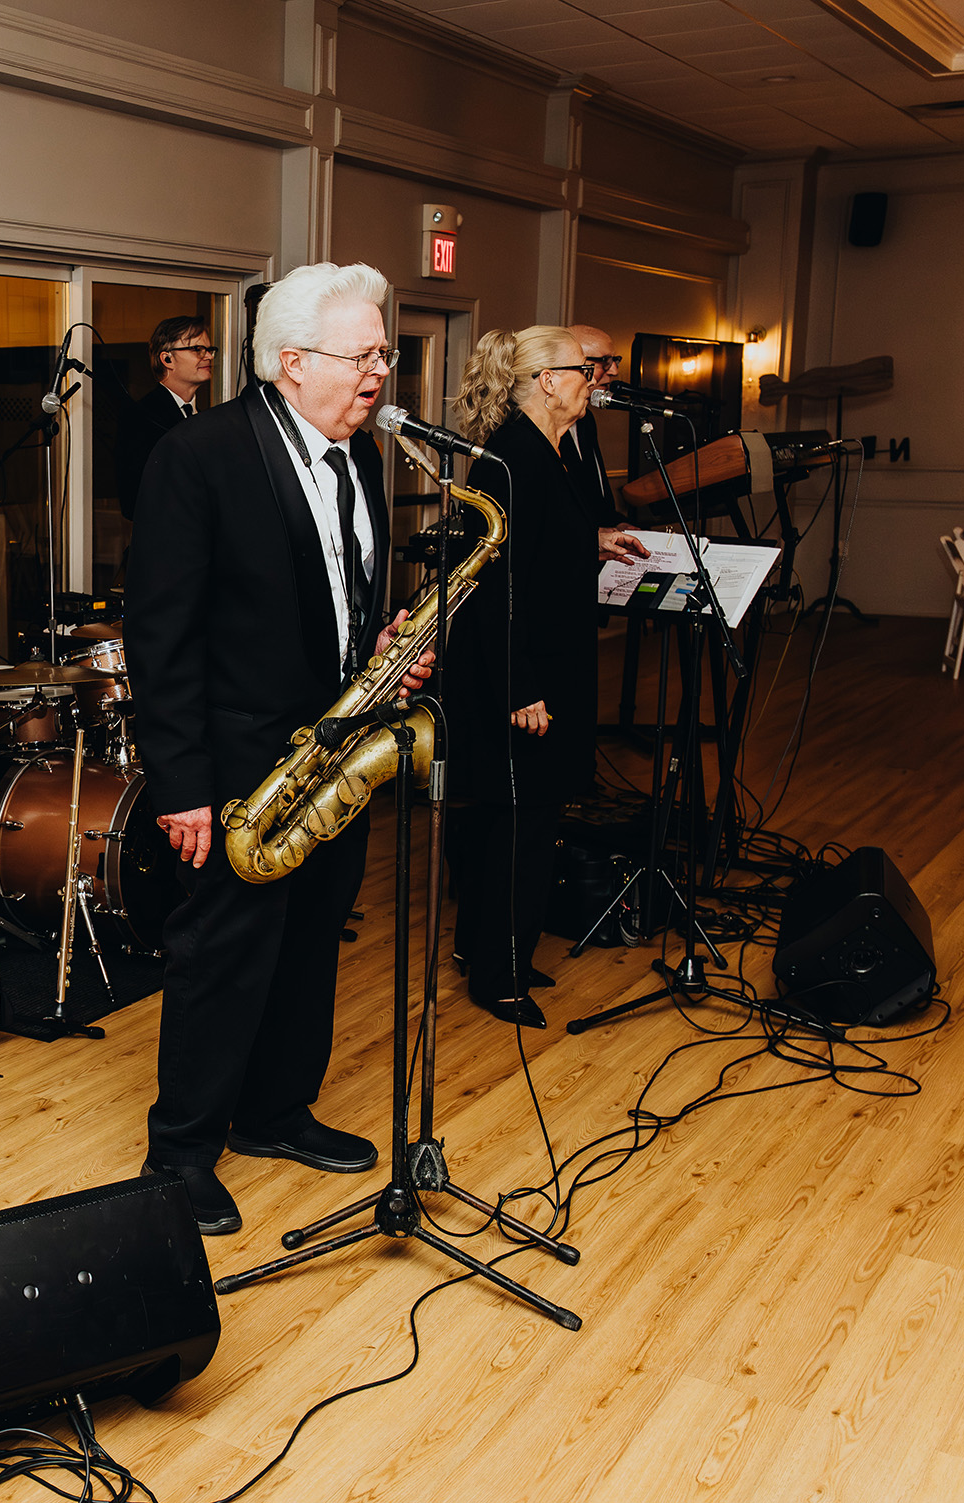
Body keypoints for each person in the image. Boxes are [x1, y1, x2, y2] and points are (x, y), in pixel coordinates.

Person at [125, 263, 432, 1237]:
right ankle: (180, 1152)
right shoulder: (200, 455)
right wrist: (181, 784)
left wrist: (377, 649)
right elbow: (161, 636)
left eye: (383, 352)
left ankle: (273, 1110)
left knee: (310, 940)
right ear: (292, 361)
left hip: (336, 753)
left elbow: (334, 592)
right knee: (222, 957)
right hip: (234, 766)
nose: (379, 370)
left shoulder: (361, 457)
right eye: (362, 354)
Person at [444, 328, 650, 1027]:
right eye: (582, 370)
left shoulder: (546, 449)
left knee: (518, 821)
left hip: (547, 664)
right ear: (546, 380)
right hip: (520, 675)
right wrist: (519, 687)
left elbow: (537, 545)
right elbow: (495, 589)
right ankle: (498, 976)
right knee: (518, 828)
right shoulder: (511, 458)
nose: (593, 380)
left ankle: (489, 950)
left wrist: (593, 539)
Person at [117, 316, 216, 521]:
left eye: (209, 349)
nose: (208, 356)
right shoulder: (139, 417)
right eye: (197, 349)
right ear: (167, 359)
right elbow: (132, 502)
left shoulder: (206, 418)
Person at [564, 323, 622, 516]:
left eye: (614, 360)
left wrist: (616, 523)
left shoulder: (586, 419)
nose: (614, 371)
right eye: (605, 361)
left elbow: (593, 491)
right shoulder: (536, 426)